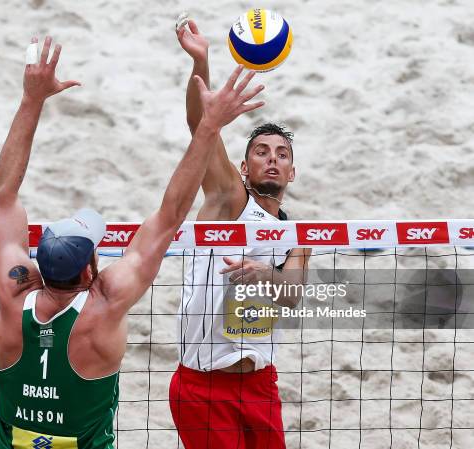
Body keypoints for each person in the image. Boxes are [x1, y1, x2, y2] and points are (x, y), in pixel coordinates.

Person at [0, 35, 266, 449]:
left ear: (40, 267)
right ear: (88, 269)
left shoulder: (15, 295)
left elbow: (2, 196)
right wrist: (208, 126)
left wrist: (31, 99)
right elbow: (170, 215)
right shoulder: (103, 307)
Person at [169, 18, 312, 449]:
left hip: (260, 385)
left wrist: (261, 275)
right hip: (204, 387)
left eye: (282, 154)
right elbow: (202, 128)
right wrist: (201, 61)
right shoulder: (229, 201)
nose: (272, 159)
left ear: (292, 171)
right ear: (245, 168)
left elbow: (291, 295)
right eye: (261, 152)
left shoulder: (297, 235)